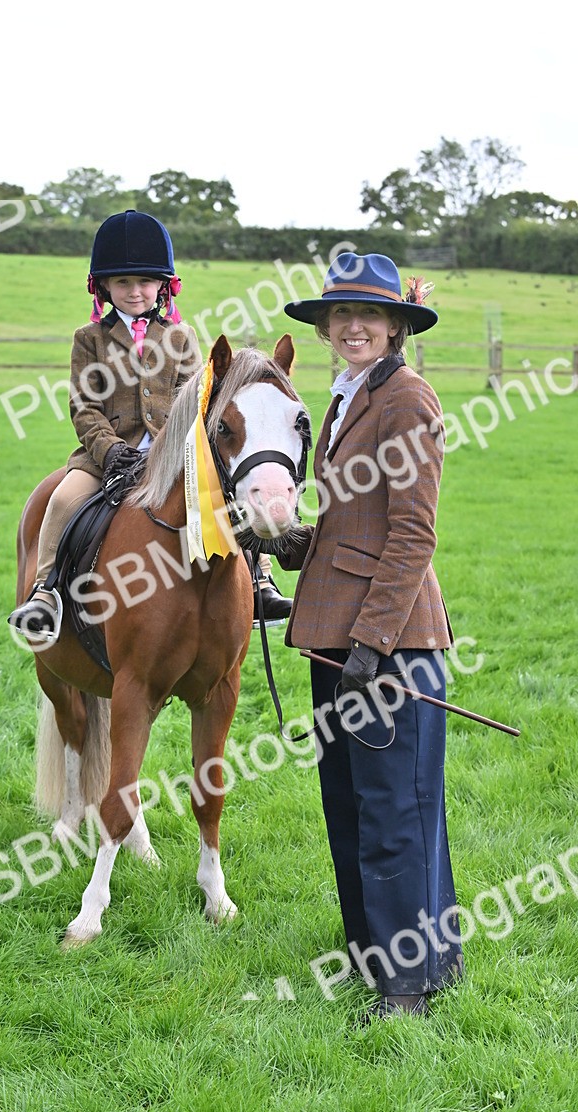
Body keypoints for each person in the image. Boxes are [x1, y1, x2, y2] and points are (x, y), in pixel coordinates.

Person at [281, 252, 463, 1022]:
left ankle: (408, 988)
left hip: (387, 645)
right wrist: (295, 544)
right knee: (352, 804)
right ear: (326, 327)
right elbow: (356, 518)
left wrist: (375, 642)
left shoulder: (406, 399)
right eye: (340, 316)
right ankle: (388, 953)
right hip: (336, 635)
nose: (353, 327)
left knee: (396, 811)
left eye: (370, 316)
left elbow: (413, 532)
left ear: (395, 326)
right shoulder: (349, 397)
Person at [9, 209, 292, 641]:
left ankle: (260, 580)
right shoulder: (90, 339)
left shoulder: (180, 337)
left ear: (163, 285)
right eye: (123, 282)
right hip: (106, 457)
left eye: (144, 282)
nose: (135, 291)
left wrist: (174, 450)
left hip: (174, 457)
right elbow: (84, 406)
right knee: (62, 501)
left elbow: (200, 401)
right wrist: (109, 450)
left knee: (229, 498)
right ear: (104, 286)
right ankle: (45, 594)